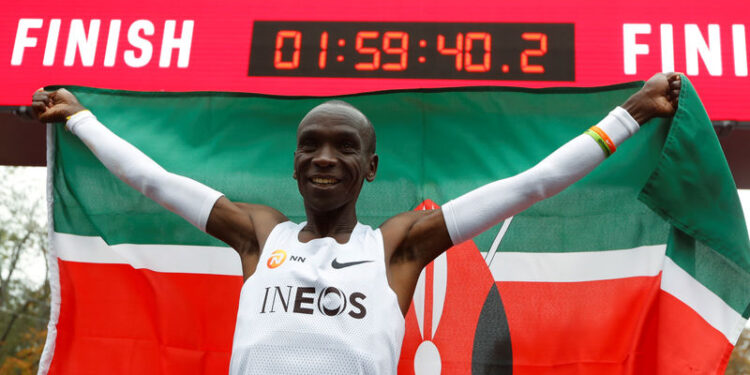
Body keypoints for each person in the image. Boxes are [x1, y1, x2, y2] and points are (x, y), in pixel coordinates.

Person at [32, 72, 681, 374]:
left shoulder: (397, 248)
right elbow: (156, 181)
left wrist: (630, 113)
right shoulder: (262, 234)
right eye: (311, 143)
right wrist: (79, 117)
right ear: (292, 164)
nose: (324, 156)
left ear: (370, 167)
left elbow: (528, 185)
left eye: (344, 146)